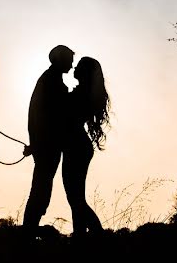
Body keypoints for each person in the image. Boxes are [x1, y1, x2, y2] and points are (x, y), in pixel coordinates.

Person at [21, 44, 75, 235]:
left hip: (46, 144)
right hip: (48, 145)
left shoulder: (50, 79)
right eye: (70, 60)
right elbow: (42, 114)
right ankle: (28, 232)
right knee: (41, 188)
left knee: (42, 186)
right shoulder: (51, 81)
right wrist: (36, 143)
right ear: (61, 60)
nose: (72, 64)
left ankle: (29, 230)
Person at [63, 56, 110, 236]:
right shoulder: (85, 93)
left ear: (84, 72)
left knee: (75, 199)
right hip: (78, 146)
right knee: (76, 199)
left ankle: (98, 236)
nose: (74, 68)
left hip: (75, 147)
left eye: (79, 66)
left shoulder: (80, 94)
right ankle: (81, 238)